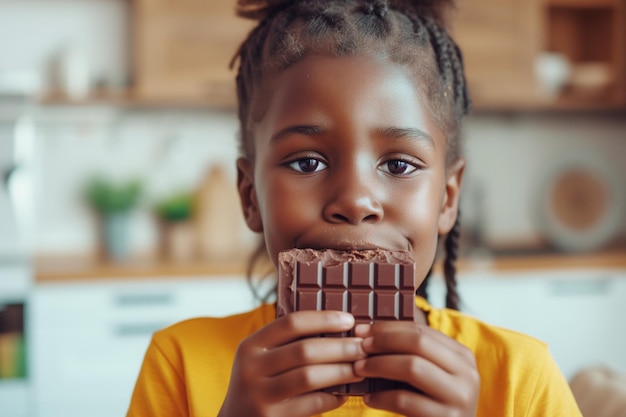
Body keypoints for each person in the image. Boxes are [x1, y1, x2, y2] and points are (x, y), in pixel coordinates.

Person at [126, 1, 583, 416]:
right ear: (250, 197)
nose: (355, 200)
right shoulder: (181, 363)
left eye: (400, 164)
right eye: (307, 161)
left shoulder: (519, 380)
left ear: (447, 198)